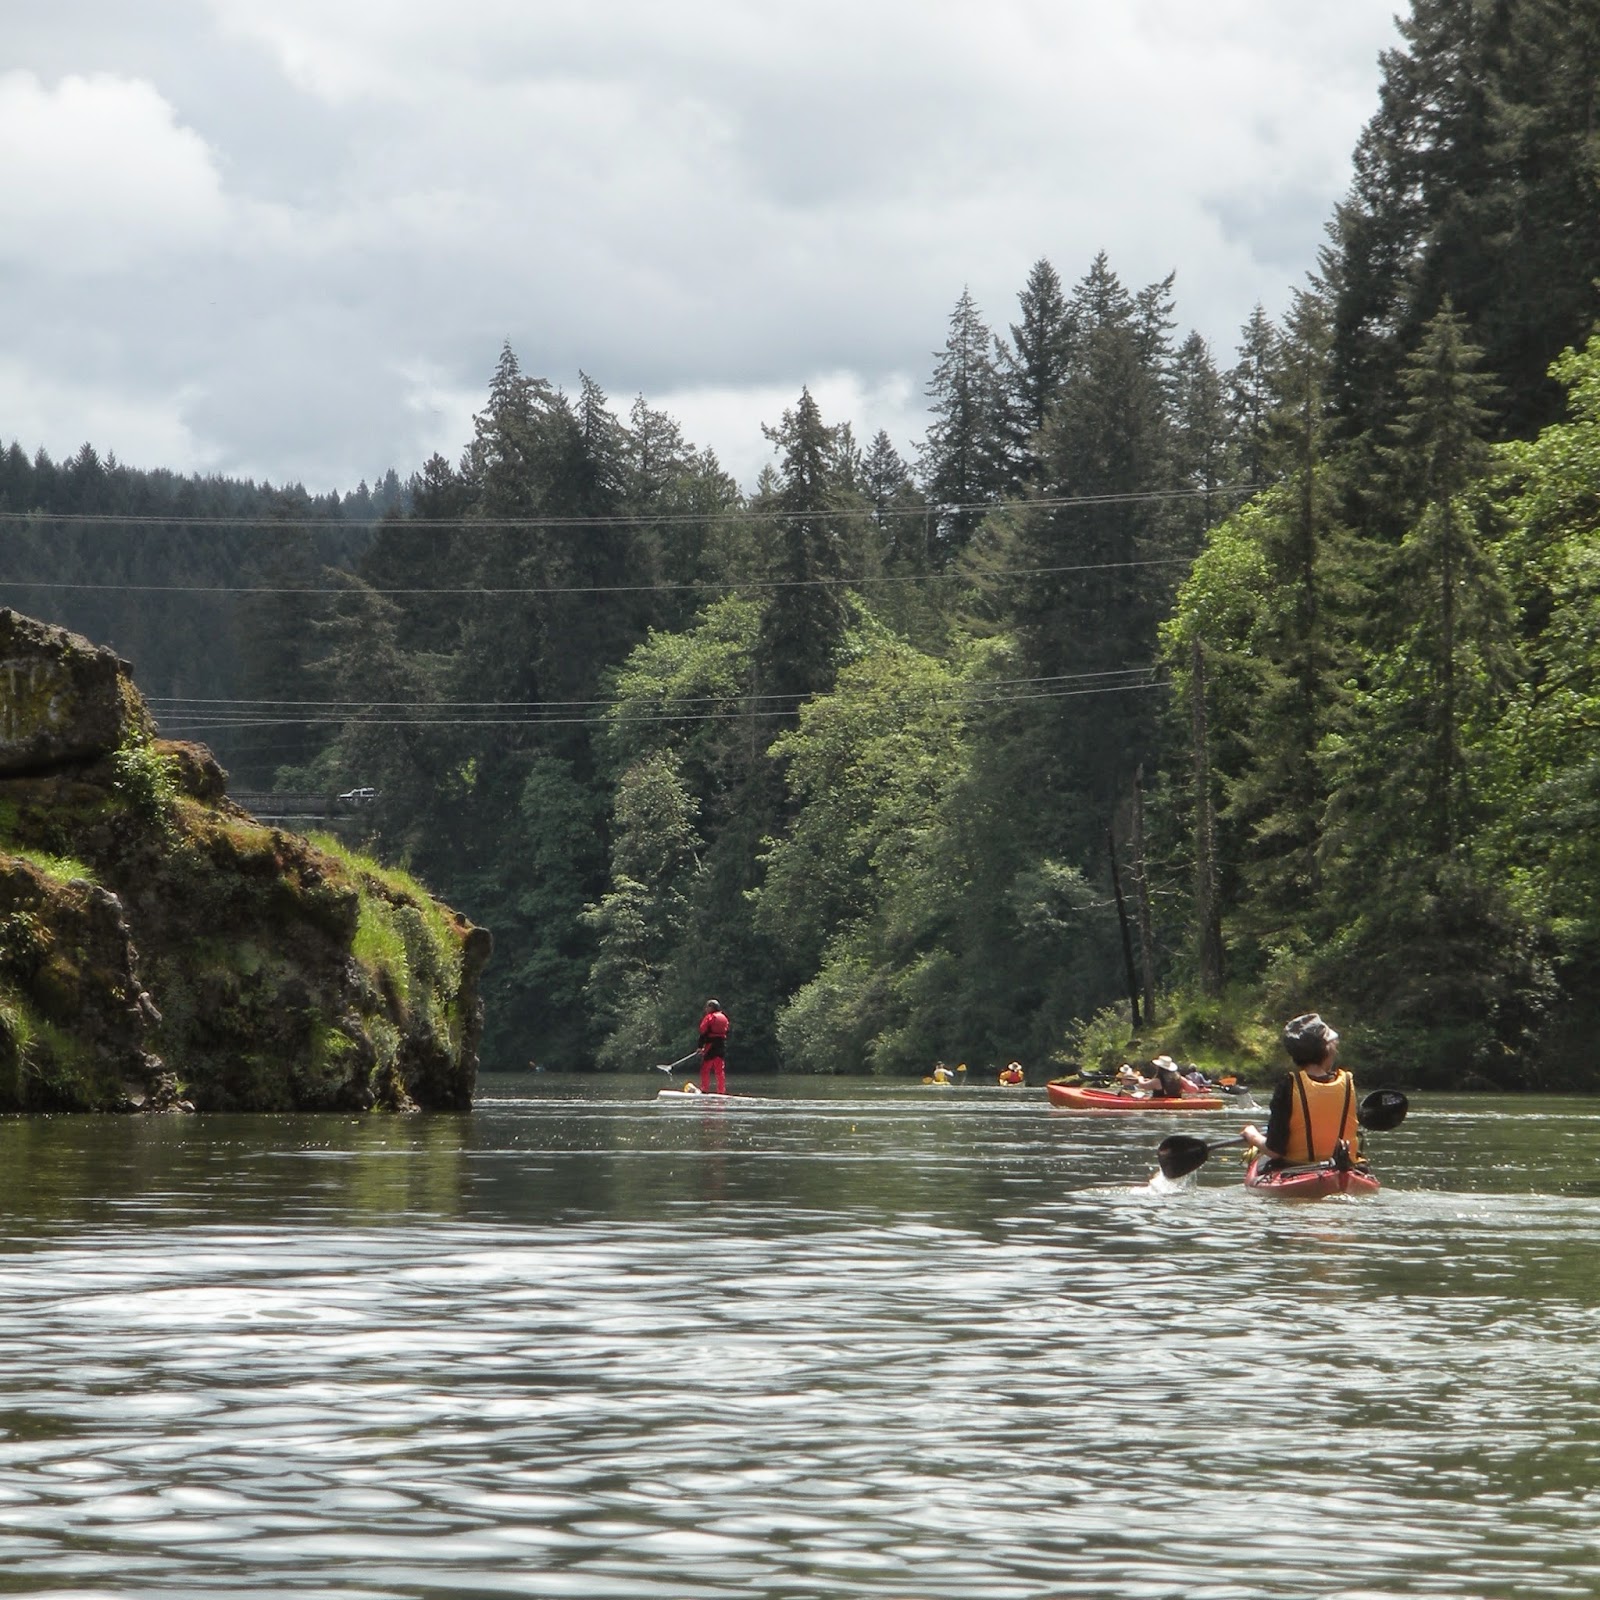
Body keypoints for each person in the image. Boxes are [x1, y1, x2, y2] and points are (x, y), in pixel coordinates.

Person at [1242, 1012, 1362, 1170]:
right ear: (1327, 1048)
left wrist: (1251, 1135)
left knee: (1260, 1160)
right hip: (1344, 1168)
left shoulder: (1288, 1085)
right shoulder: (1348, 1082)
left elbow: (1274, 1151)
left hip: (1297, 1168)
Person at [698, 999, 730, 1095]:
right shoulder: (724, 1017)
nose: (706, 1009)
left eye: (707, 1007)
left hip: (711, 1045)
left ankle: (704, 1090)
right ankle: (721, 1091)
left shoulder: (710, 1017)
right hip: (721, 1045)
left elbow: (703, 1032)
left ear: (711, 1007)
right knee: (719, 1070)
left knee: (705, 1068)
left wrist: (700, 1046)